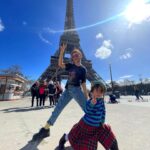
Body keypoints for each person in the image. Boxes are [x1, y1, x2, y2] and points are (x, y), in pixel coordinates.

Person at [32, 43, 88, 140]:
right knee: (57, 109)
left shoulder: (83, 69)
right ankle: (46, 129)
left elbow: (83, 83)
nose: (75, 56)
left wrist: (86, 96)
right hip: (67, 90)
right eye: (73, 55)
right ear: (72, 58)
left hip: (76, 89)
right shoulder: (70, 65)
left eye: (77, 54)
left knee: (87, 109)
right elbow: (60, 64)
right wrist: (62, 51)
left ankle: (97, 126)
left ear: (81, 55)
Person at [58, 81, 119, 150]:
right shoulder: (90, 101)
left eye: (101, 91)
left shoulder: (101, 101)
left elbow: (103, 111)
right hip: (86, 125)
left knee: (110, 136)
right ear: (92, 92)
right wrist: (91, 104)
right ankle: (63, 138)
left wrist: (102, 120)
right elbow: (86, 110)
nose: (99, 93)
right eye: (97, 90)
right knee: (74, 136)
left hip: (98, 126)